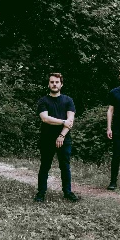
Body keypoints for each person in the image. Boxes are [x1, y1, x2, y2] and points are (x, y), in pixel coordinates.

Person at [34, 73, 79, 202]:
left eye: (57, 82)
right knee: (45, 166)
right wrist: (63, 122)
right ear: (49, 84)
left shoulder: (68, 100)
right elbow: (45, 118)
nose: (54, 84)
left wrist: (62, 135)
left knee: (65, 166)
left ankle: (67, 192)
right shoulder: (43, 101)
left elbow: (70, 121)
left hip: (64, 138)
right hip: (46, 138)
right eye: (52, 82)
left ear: (61, 84)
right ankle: (41, 193)